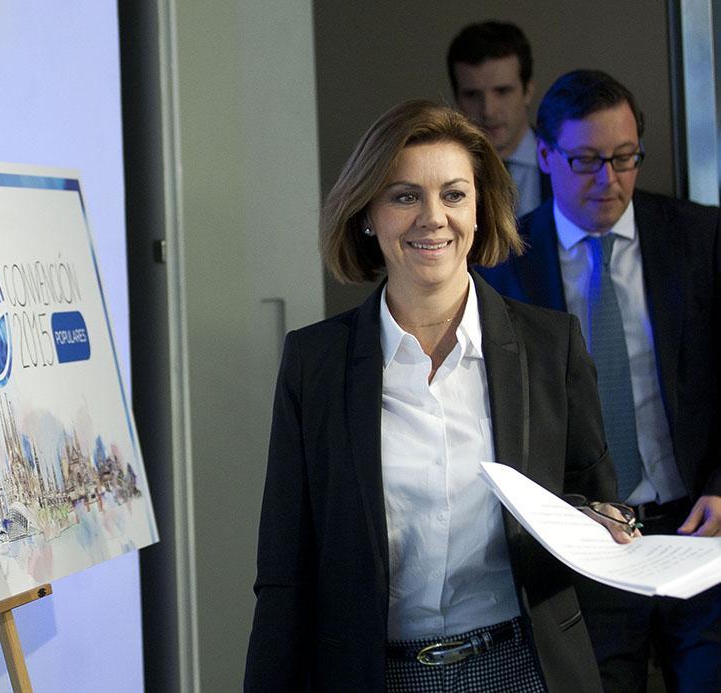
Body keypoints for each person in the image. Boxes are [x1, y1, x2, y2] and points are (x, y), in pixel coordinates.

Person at [244, 100, 635, 692]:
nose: (434, 218)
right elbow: (284, 572)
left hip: (524, 670)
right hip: (376, 676)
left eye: (454, 195)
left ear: (479, 210)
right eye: (405, 196)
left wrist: (599, 521)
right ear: (368, 214)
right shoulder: (314, 364)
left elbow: (599, 507)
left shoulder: (549, 346)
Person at [479, 69, 721, 692]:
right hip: (588, 542)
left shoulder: (699, 237)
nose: (608, 180)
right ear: (545, 154)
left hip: (697, 527)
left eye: (625, 157)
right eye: (586, 161)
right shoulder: (505, 264)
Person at [448, 20, 550, 215]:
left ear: (528, 91)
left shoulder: (568, 163)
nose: (488, 111)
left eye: (502, 91)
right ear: (457, 99)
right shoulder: (442, 171)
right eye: (472, 95)